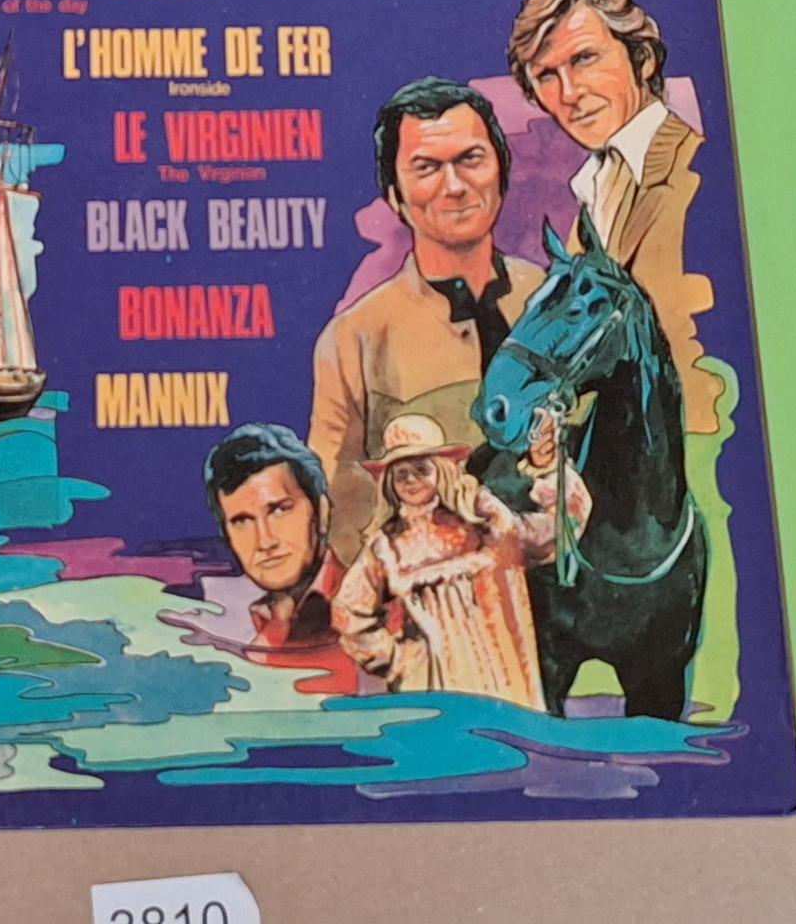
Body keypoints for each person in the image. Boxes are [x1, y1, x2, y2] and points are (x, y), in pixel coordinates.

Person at [305, 78, 540, 568]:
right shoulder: (354, 339)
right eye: (427, 168)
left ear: (501, 170)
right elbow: (339, 501)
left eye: (471, 159)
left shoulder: (554, 301)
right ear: (395, 195)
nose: (454, 187)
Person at [506, 0, 719, 433]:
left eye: (585, 59)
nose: (569, 94)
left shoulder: (704, 174)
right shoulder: (590, 198)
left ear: (643, 58)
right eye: (546, 76)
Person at [328, 415, 553, 708]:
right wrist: (399, 661)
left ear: (443, 471)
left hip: (502, 678)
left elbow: (555, 531)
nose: (410, 481)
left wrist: (548, 467)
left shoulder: (486, 522)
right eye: (401, 474)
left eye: (421, 470)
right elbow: (348, 611)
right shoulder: (388, 544)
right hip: (432, 683)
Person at [197, 422, 353, 692]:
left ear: (322, 513)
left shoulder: (377, 614)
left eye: (280, 510)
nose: (265, 540)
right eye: (242, 521)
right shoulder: (259, 630)